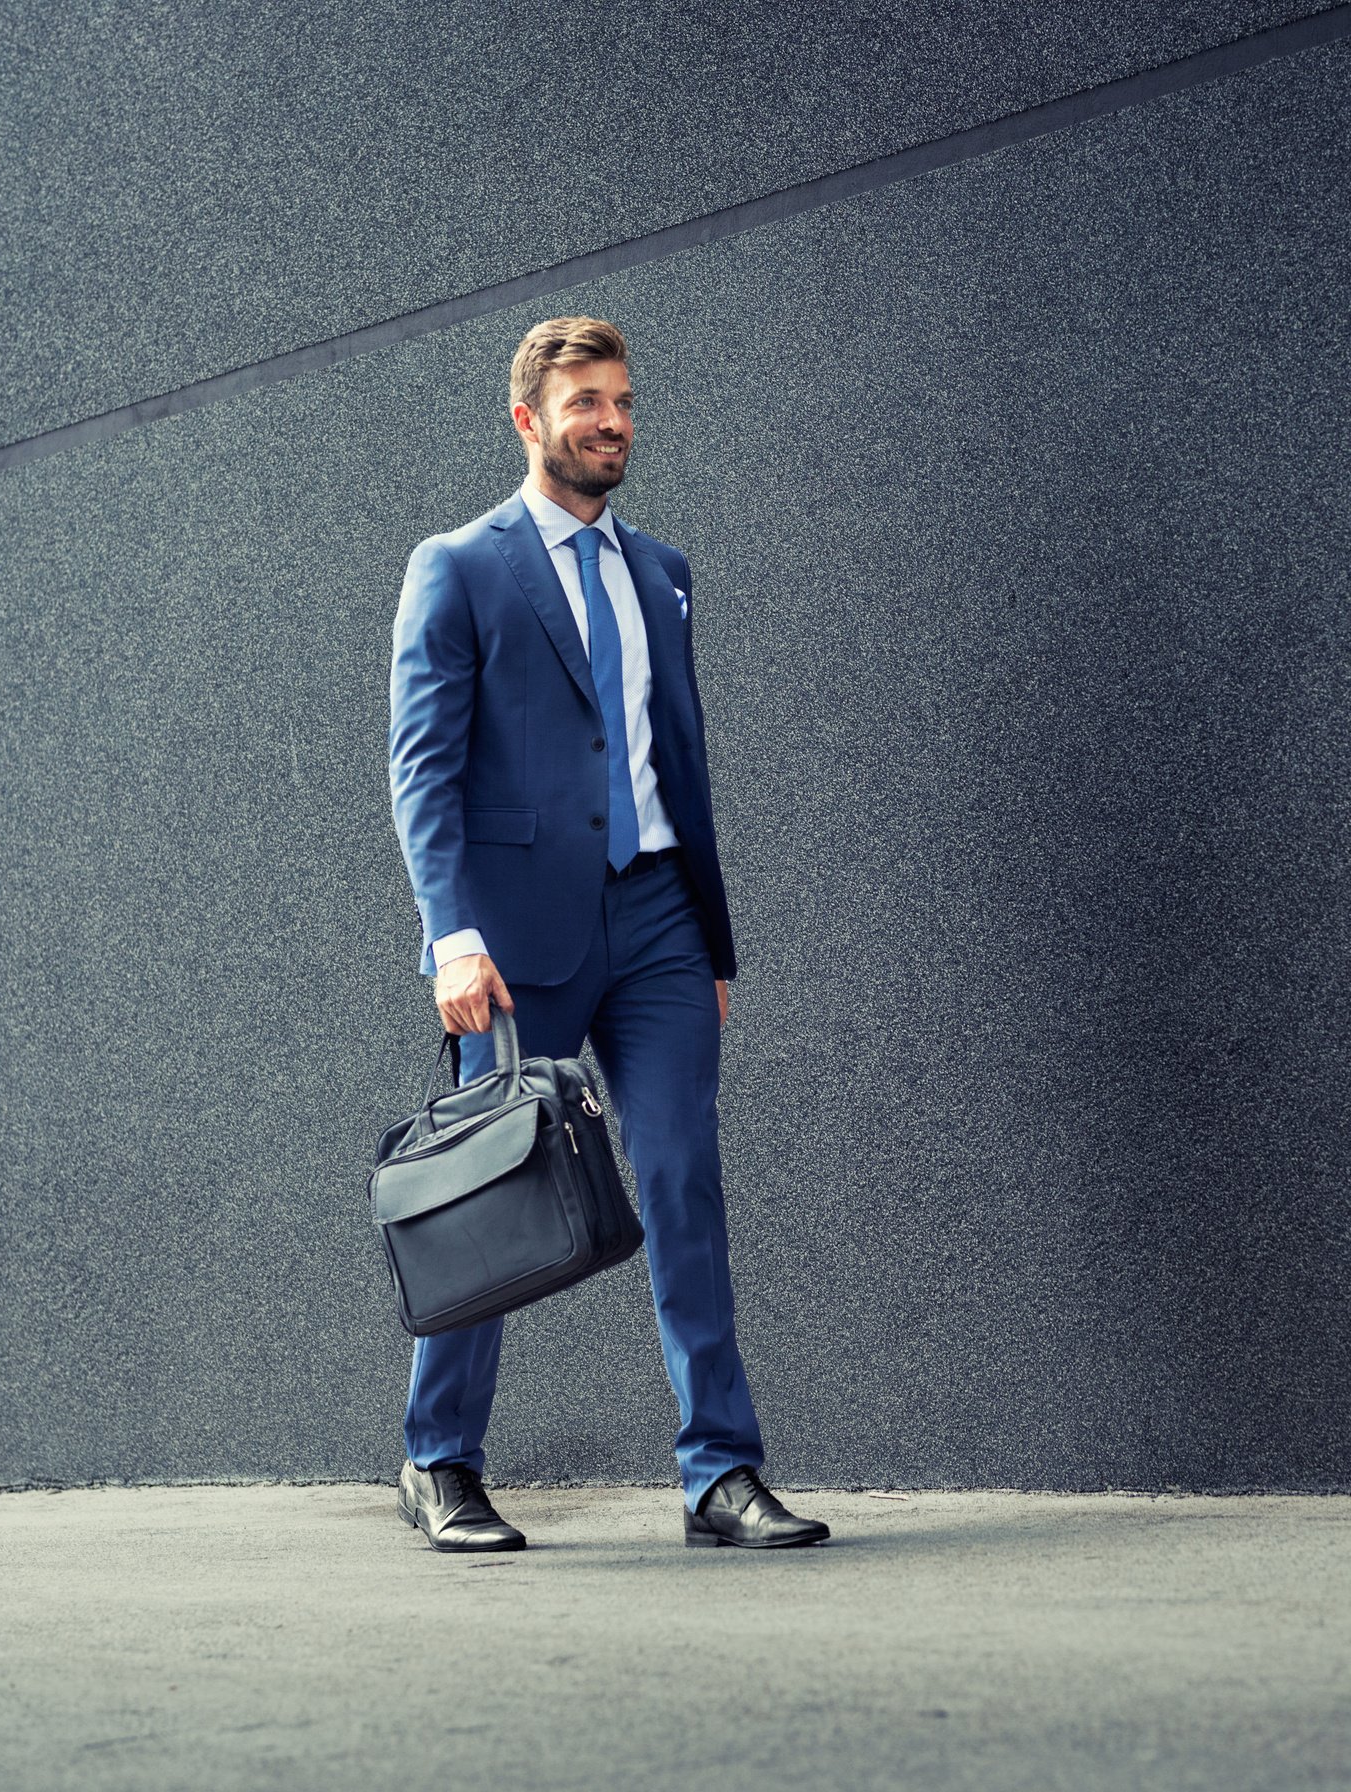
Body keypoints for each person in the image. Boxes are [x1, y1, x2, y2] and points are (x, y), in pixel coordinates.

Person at [384, 316, 828, 1553]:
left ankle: (720, 1472)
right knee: (493, 1194)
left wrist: (714, 941)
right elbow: (422, 769)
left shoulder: (663, 570)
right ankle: (439, 1459)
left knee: (685, 1179)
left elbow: (678, 765)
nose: (612, 421)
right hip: (517, 940)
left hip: (661, 921)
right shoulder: (461, 565)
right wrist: (449, 936)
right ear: (529, 420)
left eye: (623, 400)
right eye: (586, 403)